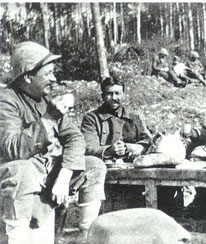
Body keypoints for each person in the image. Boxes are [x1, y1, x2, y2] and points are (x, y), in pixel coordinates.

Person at [0, 41, 106, 244]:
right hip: (14, 183)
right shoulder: (6, 101)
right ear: (28, 77)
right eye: (48, 73)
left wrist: (65, 176)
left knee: (94, 166)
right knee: (21, 169)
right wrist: (48, 119)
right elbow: (13, 150)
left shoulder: (44, 100)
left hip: (45, 175)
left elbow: (75, 137)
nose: (54, 79)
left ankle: (86, 238)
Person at [81, 76, 152, 165]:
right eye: (109, 94)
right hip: (104, 167)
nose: (114, 98)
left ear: (123, 95)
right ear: (103, 96)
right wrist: (108, 150)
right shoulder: (92, 118)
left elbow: (148, 141)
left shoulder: (134, 117)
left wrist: (135, 148)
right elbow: (88, 147)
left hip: (133, 166)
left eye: (117, 93)